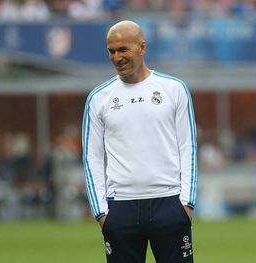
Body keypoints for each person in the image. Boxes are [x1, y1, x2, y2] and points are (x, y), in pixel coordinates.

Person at [82, 20, 197, 262]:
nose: (116, 57)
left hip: (169, 203)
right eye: (111, 51)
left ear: (142, 48)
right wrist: (101, 213)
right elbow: (92, 157)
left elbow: (189, 148)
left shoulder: (174, 89)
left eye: (123, 49)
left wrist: (186, 204)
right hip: (120, 207)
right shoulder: (98, 98)